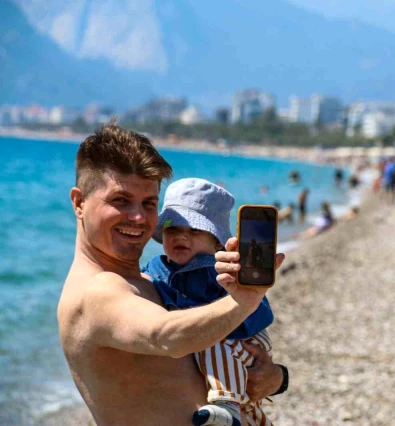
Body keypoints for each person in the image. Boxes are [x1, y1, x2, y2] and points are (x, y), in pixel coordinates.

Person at [57, 124, 286, 426]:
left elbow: (200, 357)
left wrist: (276, 378)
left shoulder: (153, 281)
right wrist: (243, 301)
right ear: (79, 203)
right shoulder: (97, 291)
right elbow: (166, 336)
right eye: (120, 200)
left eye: (149, 203)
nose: (138, 217)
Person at [142, 178, 277, 426]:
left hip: (246, 337)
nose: (182, 235)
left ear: (217, 241)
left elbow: (262, 314)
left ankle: (226, 406)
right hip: (216, 352)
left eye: (194, 229)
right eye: (173, 227)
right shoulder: (153, 270)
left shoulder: (219, 271)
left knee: (212, 336)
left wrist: (231, 308)